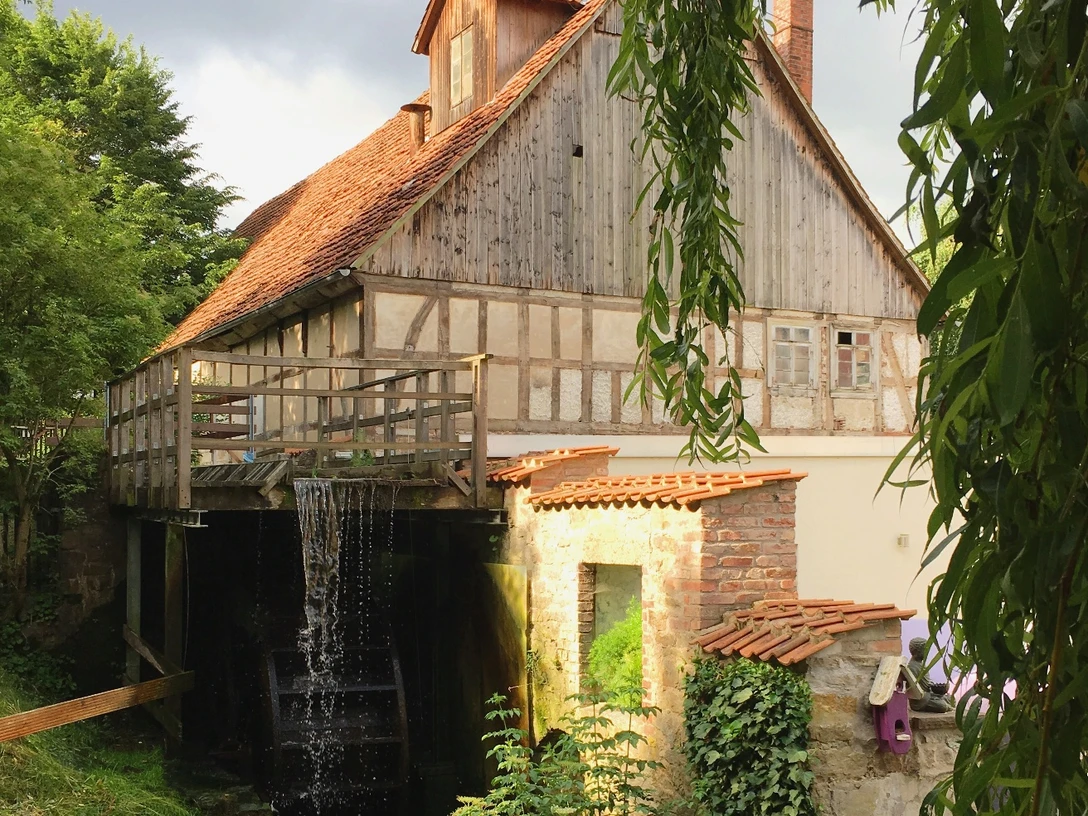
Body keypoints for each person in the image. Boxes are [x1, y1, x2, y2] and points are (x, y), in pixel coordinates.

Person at [907, 637, 955, 713]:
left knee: (951, 699)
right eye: (925, 650)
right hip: (921, 700)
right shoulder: (912, 667)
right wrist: (930, 691)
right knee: (942, 706)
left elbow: (927, 682)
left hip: (929, 694)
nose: (927, 653)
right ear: (917, 651)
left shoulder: (921, 664)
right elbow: (913, 689)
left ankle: (947, 704)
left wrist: (935, 688)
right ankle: (947, 707)